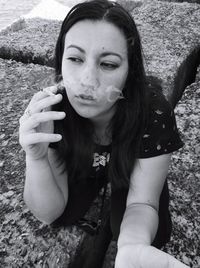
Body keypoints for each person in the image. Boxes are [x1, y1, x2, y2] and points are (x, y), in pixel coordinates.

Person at [19, 0, 189, 267]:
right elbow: (48, 212)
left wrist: (132, 245)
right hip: (82, 161)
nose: (87, 81)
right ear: (61, 61)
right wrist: (36, 157)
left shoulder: (153, 112)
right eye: (75, 59)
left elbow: (142, 203)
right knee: (67, 213)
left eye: (108, 64)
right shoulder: (54, 111)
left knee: (147, 229)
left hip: (133, 161)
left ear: (129, 72)